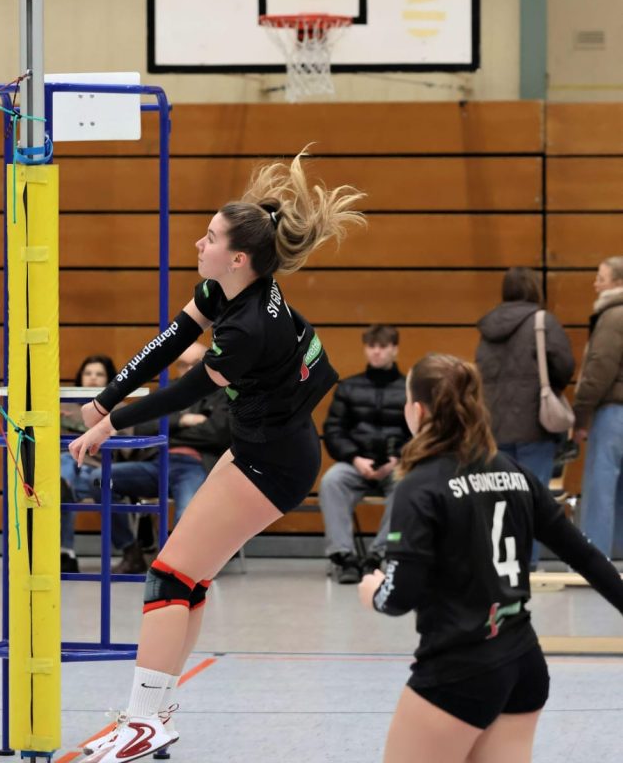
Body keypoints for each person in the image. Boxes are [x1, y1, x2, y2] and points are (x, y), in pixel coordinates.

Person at [68, 150, 365, 762]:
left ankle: (143, 722)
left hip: (274, 463)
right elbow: (170, 341)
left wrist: (110, 424)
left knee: (168, 574)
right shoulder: (226, 290)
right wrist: (107, 396)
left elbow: (185, 391)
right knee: (190, 577)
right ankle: (155, 713)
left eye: (209, 236)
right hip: (263, 446)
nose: (198, 243)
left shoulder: (248, 327)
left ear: (237, 257)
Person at [358, 353, 623, 763]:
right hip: (523, 666)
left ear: (417, 410)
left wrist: (374, 592)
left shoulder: (420, 485)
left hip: (457, 671)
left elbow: (399, 596)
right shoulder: (513, 471)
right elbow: (586, 556)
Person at [475, 266, 574, 567]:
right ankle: (526, 565)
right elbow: (564, 365)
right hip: (534, 425)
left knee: (500, 498)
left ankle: (502, 564)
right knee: (532, 497)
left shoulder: (487, 329)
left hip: (494, 426)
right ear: (534, 288)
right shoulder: (542, 321)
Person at [106, 342, 233, 570]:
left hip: (195, 465)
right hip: (156, 464)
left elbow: (218, 433)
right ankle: (131, 551)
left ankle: (180, 569)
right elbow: (141, 427)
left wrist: (167, 432)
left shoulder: (224, 393)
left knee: (187, 514)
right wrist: (182, 421)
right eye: (183, 365)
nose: (189, 370)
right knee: (101, 479)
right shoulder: (167, 390)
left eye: (196, 364)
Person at [320, 324, 408, 583]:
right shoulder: (348, 387)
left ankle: (377, 555)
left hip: (395, 465)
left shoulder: (409, 388)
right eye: (371, 346)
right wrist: (355, 459)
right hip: (356, 463)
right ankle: (344, 557)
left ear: (395, 349)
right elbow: (333, 430)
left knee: (407, 484)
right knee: (331, 481)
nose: (376, 352)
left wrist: (396, 459)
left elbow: (420, 434)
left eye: (383, 347)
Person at [60, 355, 139, 574]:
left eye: (99, 374)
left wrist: (109, 431)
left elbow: (128, 450)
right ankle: (66, 552)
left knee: (83, 483)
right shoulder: (63, 405)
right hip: (69, 468)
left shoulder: (120, 409)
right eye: (88, 373)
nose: (93, 378)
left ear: (109, 379)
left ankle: (66, 554)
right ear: (80, 377)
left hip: (98, 471)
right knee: (64, 465)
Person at [574, 256, 623, 557]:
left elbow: (599, 370)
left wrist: (581, 415)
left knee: (600, 494)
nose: (595, 284)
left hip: (613, 414)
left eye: (601, 278)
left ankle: (592, 565)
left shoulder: (613, 316)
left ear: (618, 283)